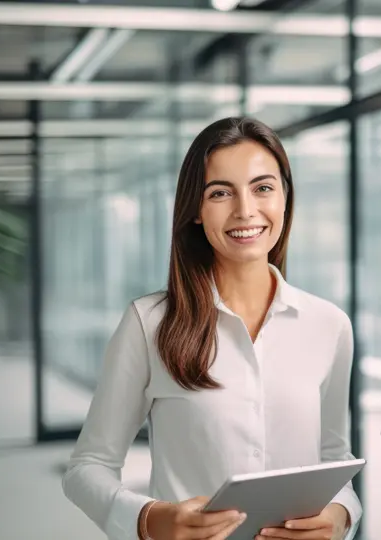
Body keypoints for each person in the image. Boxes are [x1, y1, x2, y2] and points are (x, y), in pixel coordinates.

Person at [62, 117, 362, 540]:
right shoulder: (149, 323)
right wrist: (150, 519)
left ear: (285, 198)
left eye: (262, 188)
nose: (245, 210)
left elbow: (335, 459)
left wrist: (340, 516)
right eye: (220, 193)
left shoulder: (328, 325)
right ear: (196, 211)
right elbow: (87, 467)